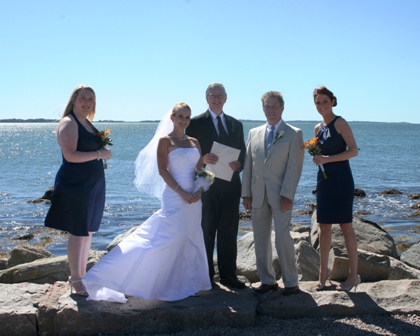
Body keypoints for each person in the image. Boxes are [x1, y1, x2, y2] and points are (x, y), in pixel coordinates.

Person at [82, 103, 212, 302]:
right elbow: (163, 170)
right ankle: (143, 281)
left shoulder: (194, 141)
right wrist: (182, 193)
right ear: (172, 117)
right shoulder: (165, 141)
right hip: (174, 195)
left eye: (187, 117)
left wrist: (200, 190)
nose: (184, 121)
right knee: (168, 238)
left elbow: (199, 170)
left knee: (191, 236)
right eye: (180, 116)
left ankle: (189, 283)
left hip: (194, 198)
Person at [45, 85, 112, 296]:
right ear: (74, 100)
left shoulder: (87, 123)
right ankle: (75, 280)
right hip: (76, 185)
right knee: (77, 231)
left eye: (91, 99)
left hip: (92, 185)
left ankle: (82, 275)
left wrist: (100, 154)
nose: (87, 102)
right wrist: (99, 154)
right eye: (83, 98)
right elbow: (71, 155)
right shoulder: (69, 122)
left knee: (88, 231)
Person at [242, 91, 304, 295]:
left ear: (282, 108)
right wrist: (246, 194)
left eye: (274, 106)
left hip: (281, 196)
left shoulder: (294, 133)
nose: (270, 110)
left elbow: (294, 168)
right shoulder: (254, 133)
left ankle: (291, 282)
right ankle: (267, 280)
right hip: (257, 194)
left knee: (283, 237)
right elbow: (248, 165)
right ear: (263, 109)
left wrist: (288, 195)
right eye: (267, 107)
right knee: (260, 237)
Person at [185, 83, 246, 289]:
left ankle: (229, 275)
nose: (216, 98)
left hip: (231, 184)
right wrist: (202, 158)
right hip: (207, 184)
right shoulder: (194, 123)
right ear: (206, 98)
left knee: (229, 231)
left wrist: (240, 165)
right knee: (207, 230)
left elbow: (243, 153)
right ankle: (206, 276)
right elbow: (187, 154)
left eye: (220, 95)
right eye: (213, 95)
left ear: (226, 98)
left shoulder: (236, 124)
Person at [311, 86, 360, 292]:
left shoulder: (340, 122)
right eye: (318, 102)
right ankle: (323, 276)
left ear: (332, 102)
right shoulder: (317, 129)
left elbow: (354, 151)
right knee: (323, 227)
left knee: (346, 226)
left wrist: (328, 159)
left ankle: (353, 275)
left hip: (341, 180)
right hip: (324, 182)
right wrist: (316, 158)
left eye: (324, 101)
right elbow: (319, 155)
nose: (321, 105)